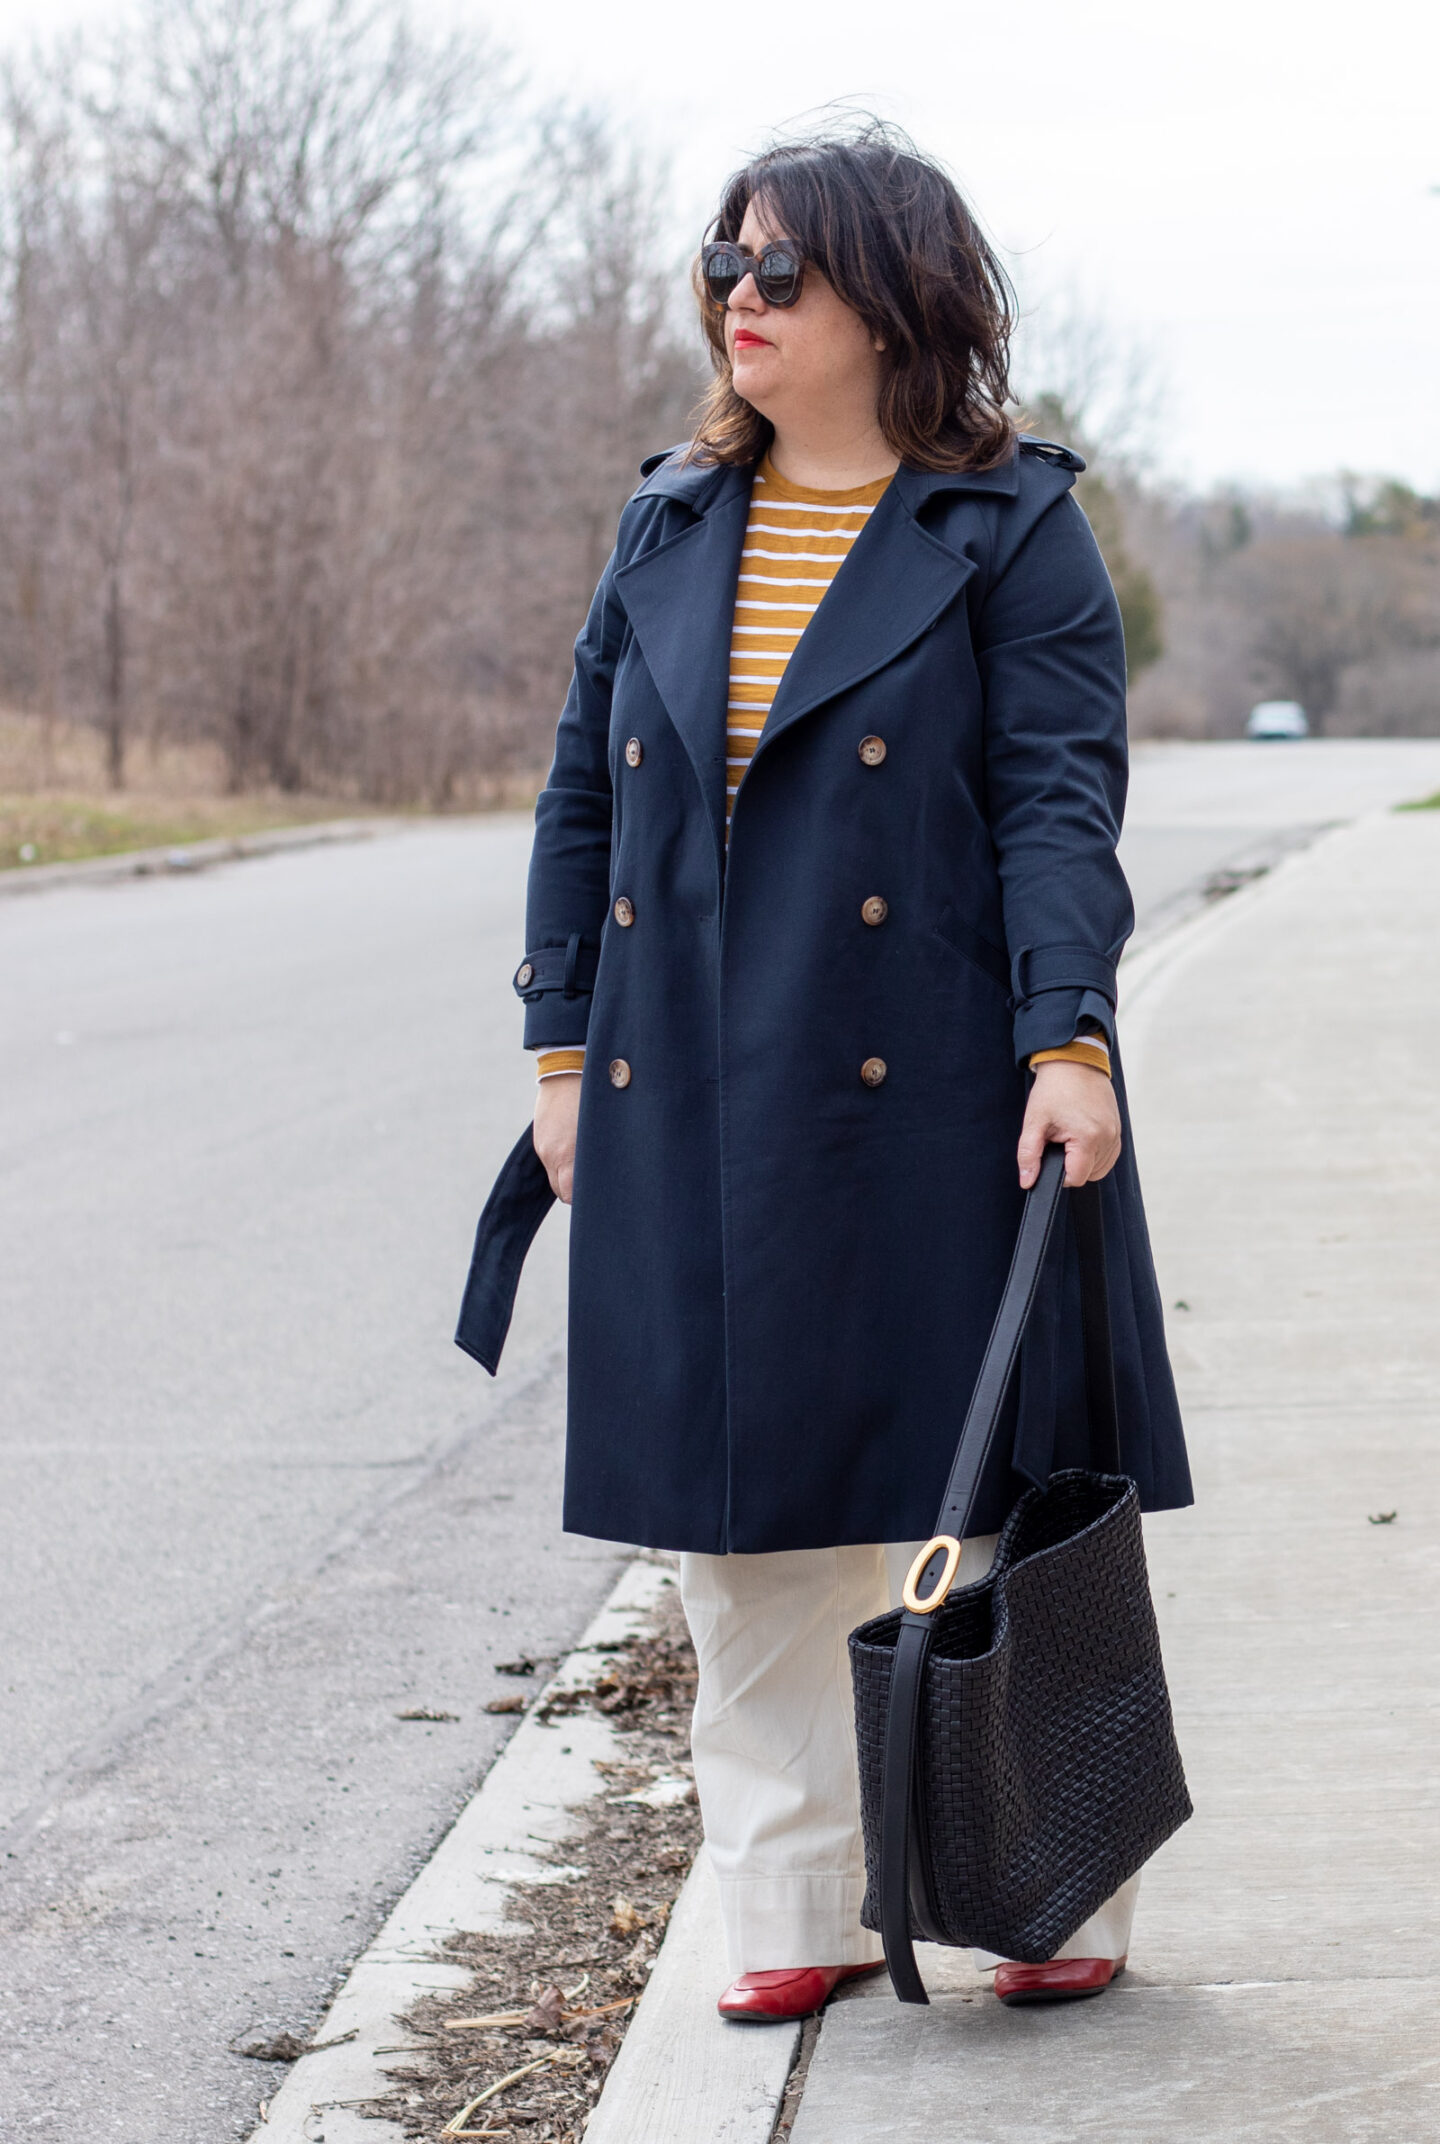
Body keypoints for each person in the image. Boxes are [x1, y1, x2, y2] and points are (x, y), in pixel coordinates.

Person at [462, 122, 1192, 2024]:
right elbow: (573, 797)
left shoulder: (1008, 527)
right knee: (744, 1518)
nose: (740, 300)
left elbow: (1056, 805)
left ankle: (1043, 1880)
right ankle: (786, 1905)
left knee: (988, 1494)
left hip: (943, 1082)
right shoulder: (669, 521)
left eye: (782, 270)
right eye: (724, 263)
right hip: (691, 1087)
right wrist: (559, 1046)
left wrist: (1069, 1036)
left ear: (893, 297)